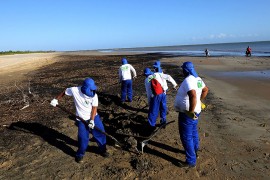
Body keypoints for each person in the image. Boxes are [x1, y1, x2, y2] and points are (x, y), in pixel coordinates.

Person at [50, 77, 109, 163]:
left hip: (94, 117)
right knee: (83, 138)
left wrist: (92, 120)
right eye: (91, 89)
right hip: (81, 120)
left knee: (100, 133)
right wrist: (56, 99)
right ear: (85, 88)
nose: (92, 91)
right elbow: (65, 91)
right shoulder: (75, 90)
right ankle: (80, 154)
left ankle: (103, 150)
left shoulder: (94, 95)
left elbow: (94, 108)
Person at [174, 61, 208, 168]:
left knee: (186, 136)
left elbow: (192, 95)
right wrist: (199, 101)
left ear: (185, 70)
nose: (182, 70)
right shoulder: (198, 79)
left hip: (188, 114)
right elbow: (205, 90)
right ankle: (195, 150)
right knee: (193, 131)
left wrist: (190, 111)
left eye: (183, 69)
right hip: (197, 111)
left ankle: (190, 161)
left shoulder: (188, 80)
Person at [147, 61, 178, 132]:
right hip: (163, 94)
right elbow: (169, 77)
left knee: (154, 110)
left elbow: (148, 85)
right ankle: (163, 122)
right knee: (163, 108)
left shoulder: (152, 76)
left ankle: (151, 125)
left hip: (156, 95)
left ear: (154, 68)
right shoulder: (162, 74)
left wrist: (149, 100)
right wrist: (175, 84)